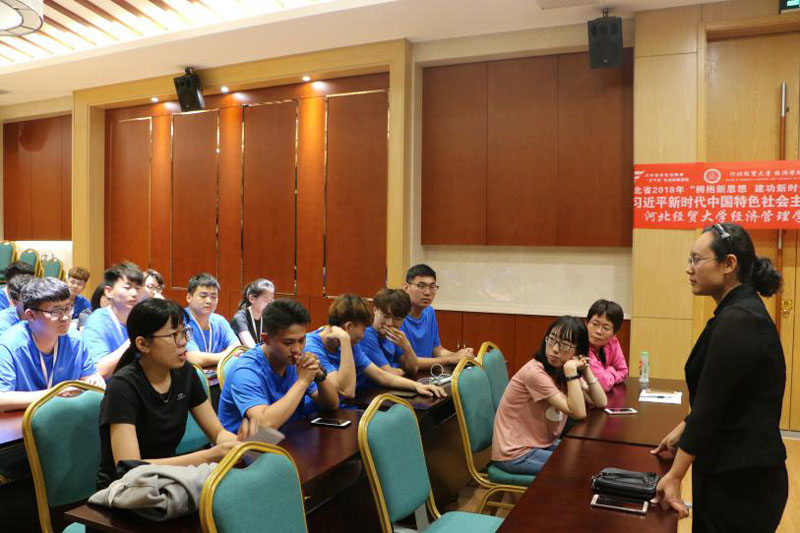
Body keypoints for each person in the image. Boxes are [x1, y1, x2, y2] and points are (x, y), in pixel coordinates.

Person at [652, 223, 788, 531]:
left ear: (729, 264)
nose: (689, 269)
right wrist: (683, 428)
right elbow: (727, 393)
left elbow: (711, 405)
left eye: (697, 260)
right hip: (726, 471)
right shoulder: (734, 312)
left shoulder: (740, 319)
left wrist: (675, 475)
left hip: (743, 482)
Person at [97, 298, 252, 489]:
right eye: (174, 335)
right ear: (143, 344)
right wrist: (210, 456)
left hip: (168, 480)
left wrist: (241, 445)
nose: (184, 342)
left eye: (184, 332)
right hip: (125, 490)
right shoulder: (122, 387)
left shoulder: (185, 373)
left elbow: (218, 433)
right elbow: (129, 467)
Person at [491, 316, 606, 476]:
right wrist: (571, 371)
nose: (555, 349)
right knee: (577, 471)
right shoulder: (535, 373)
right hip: (515, 453)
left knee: (589, 459)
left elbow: (600, 401)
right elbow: (579, 412)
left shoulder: (561, 369)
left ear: (578, 351)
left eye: (565, 345)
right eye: (551, 340)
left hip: (538, 445)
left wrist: (585, 369)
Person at [218, 299, 339, 433]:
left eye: (301, 340)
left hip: (286, 437)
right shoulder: (246, 371)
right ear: (266, 339)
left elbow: (332, 404)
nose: (297, 349)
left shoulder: (293, 361)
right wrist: (303, 381)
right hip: (245, 444)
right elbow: (265, 424)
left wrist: (319, 376)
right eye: (288, 342)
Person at [304, 294, 446, 400]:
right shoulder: (312, 346)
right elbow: (347, 391)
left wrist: (417, 386)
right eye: (363, 329)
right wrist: (346, 341)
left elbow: (380, 375)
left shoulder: (351, 342)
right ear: (348, 327)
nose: (363, 335)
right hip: (314, 416)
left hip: (346, 408)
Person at [0, 278, 104, 412]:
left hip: (66, 416)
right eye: (55, 311)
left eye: (68, 308)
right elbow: (2, 398)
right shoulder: (9, 345)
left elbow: (90, 377)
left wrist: (96, 381)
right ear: (30, 315)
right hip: (22, 419)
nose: (65, 317)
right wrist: (54, 394)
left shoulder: (75, 340)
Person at [402, 264, 474, 367]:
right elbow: (407, 361)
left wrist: (461, 355)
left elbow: (436, 349)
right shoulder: (396, 317)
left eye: (432, 287)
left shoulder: (429, 312)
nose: (427, 292)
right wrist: (450, 359)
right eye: (421, 286)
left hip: (429, 372)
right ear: (406, 287)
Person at [82, 262, 143, 379]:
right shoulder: (97, 321)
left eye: (138, 288)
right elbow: (100, 371)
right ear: (109, 291)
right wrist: (133, 340)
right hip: (111, 387)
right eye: (127, 288)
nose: (134, 293)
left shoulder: (140, 317)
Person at [184, 273, 240, 367]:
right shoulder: (180, 320)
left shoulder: (220, 321)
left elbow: (237, 349)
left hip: (217, 374)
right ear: (189, 297)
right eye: (203, 296)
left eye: (213, 297)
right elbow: (193, 358)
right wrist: (226, 356)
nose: (209, 301)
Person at [360, 288, 418, 376]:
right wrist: (402, 370)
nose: (390, 323)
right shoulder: (366, 334)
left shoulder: (394, 335)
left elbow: (413, 368)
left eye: (397, 319)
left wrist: (406, 346)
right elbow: (388, 374)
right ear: (375, 310)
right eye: (385, 316)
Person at [585, 299, 629, 392]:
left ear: (614, 333)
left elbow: (623, 371)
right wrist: (611, 370)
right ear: (586, 323)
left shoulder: (612, 341)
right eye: (595, 324)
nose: (598, 331)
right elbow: (602, 384)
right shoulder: (580, 345)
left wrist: (607, 374)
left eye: (606, 328)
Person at [230, 279, 275, 348]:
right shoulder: (239, 318)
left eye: (271, 300)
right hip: (245, 354)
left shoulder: (268, 317)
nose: (269, 304)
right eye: (265, 300)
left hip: (259, 353)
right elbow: (251, 347)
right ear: (252, 299)